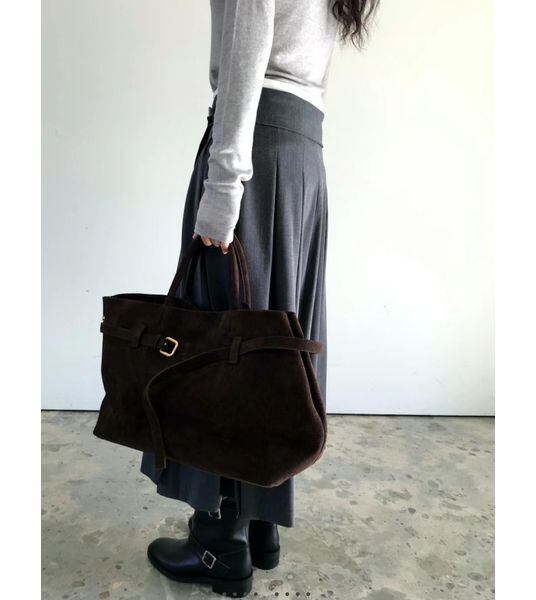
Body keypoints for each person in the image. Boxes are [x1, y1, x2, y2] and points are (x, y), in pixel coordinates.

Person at [141, 1, 379, 596]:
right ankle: (259, 519)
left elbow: (249, 48)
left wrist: (223, 185)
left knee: (221, 346)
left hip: (254, 150)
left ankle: (219, 543)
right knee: (270, 345)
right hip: (299, 155)